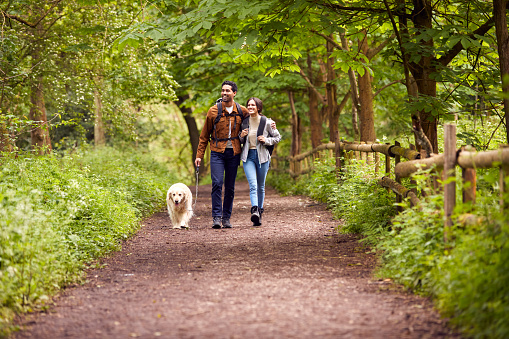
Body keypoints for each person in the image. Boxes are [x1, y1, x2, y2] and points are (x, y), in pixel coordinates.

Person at [194, 81, 249, 229]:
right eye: (222, 91)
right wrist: (199, 155)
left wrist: (270, 126)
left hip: (234, 152)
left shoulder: (242, 111)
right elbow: (204, 135)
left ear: (234, 93)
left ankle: (226, 218)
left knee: (230, 187)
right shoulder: (213, 111)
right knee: (217, 183)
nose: (224, 93)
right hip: (217, 152)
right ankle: (216, 218)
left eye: (227, 91)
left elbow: (256, 119)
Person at [239, 97, 281, 226]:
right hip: (248, 157)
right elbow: (239, 140)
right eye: (249, 105)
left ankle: (260, 212)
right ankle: (255, 210)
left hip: (262, 156)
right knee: (253, 185)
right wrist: (241, 136)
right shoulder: (244, 122)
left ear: (258, 107)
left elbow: (277, 137)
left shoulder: (267, 122)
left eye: (253, 105)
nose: (250, 107)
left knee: (261, 186)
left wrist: (266, 140)